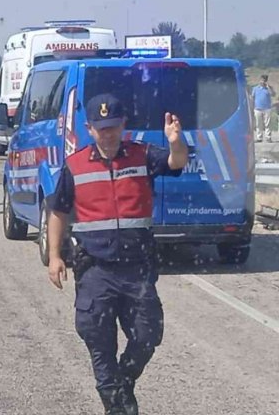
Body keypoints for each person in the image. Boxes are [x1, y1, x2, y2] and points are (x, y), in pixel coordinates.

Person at [46, 93, 188, 415]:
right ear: (89, 128)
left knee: (148, 334)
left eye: (113, 127)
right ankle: (118, 405)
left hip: (137, 267)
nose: (107, 134)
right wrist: (55, 256)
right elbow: (57, 211)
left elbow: (177, 162)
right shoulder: (75, 164)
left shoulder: (143, 155)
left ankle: (122, 384)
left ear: (123, 125)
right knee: (97, 337)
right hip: (96, 268)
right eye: (101, 128)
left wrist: (176, 141)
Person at [252, 74, 275, 143]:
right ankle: (259, 137)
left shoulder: (269, 88)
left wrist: (268, 87)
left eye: (264, 80)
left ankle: (268, 137)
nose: (263, 82)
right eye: (262, 80)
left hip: (267, 108)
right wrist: (252, 106)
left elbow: (273, 94)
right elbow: (252, 97)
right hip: (257, 108)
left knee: (267, 124)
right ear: (260, 80)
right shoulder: (255, 88)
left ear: (266, 81)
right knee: (258, 124)